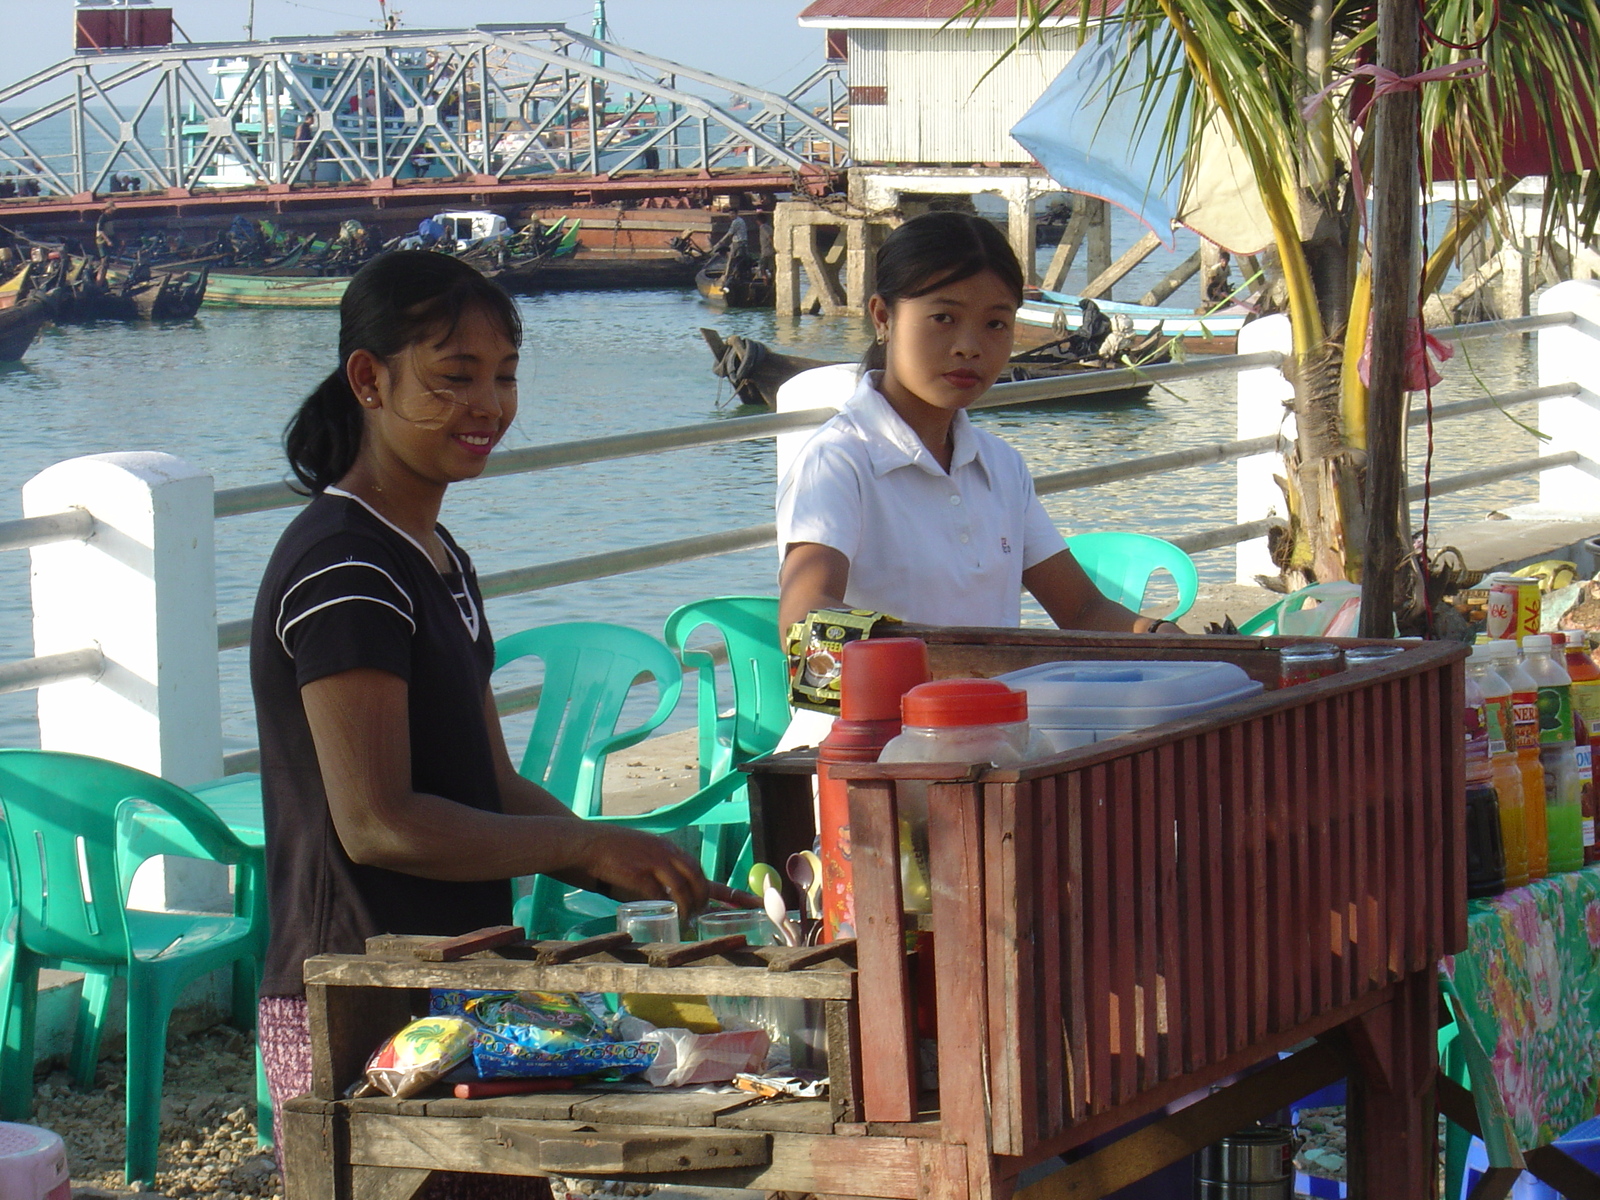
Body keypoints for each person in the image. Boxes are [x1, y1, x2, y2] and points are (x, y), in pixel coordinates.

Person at [251, 252, 741, 1195]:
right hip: (356, 993)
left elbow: (489, 779)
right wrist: (578, 841)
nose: (489, 406)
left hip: (460, 977)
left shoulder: (435, 554)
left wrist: (615, 854)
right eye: (453, 378)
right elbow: (377, 821)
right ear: (369, 379)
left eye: (505, 376)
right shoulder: (344, 565)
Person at [777, 210, 1184, 637]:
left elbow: (1081, 611)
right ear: (883, 317)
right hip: (886, 705)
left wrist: (1161, 635)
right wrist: (959, 660)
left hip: (995, 700)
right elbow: (805, 617)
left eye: (995, 324)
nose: (969, 347)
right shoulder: (839, 463)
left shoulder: (1001, 467)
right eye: (944, 318)